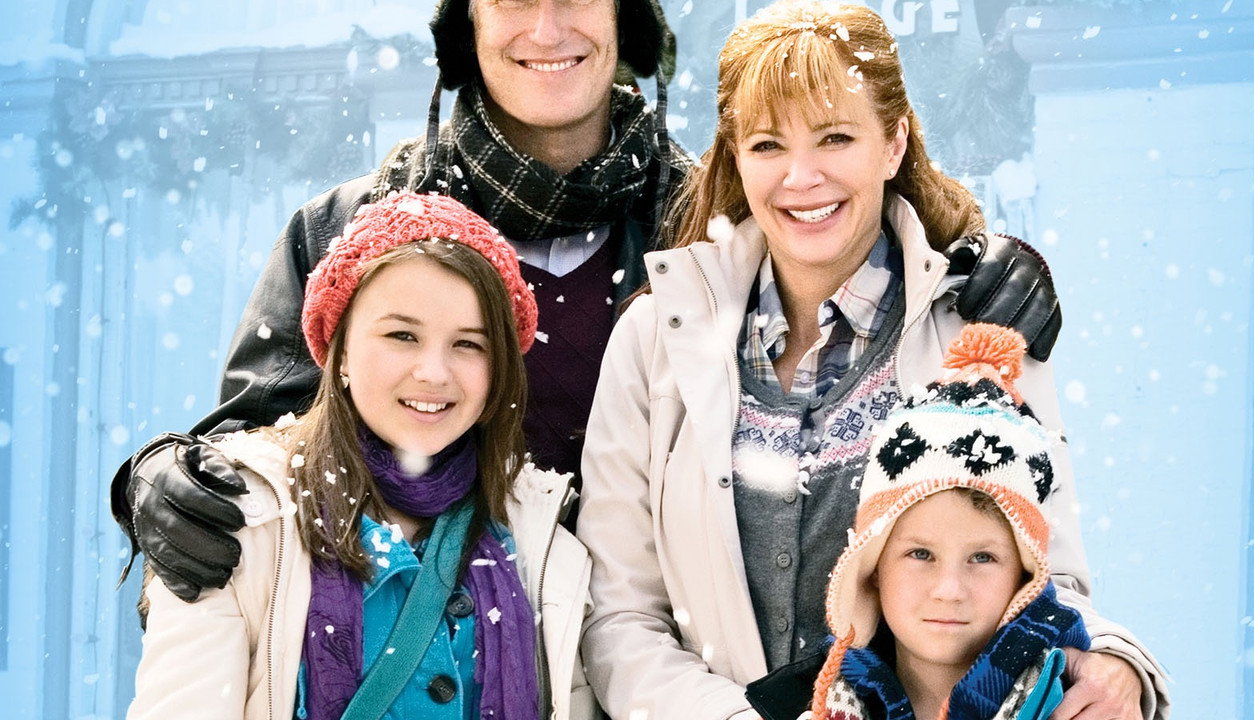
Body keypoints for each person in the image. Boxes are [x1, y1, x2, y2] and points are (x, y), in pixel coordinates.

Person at [111, 0, 1059, 604]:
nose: (546, 28)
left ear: (625, 20)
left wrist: (990, 263)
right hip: (424, 654)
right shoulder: (353, 231)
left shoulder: (705, 229)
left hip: (649, 666)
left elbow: (854, 228)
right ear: (467, 25)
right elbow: (254, 443)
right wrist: (154, 480)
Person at [573, 3, 1168, 720]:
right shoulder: (654, 340)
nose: (801, 177)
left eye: (835, 137)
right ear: (734, 158)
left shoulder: (978, 332)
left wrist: (1117, 659)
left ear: (893, 144)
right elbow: (618, 618)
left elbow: (1048, 580)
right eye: (767, 145)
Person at [128, 192, 596, 720]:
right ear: (341, 349)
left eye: (469, 344)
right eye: (402, 335)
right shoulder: (239, 516)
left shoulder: (541, 535)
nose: (433, 372)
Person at [745, 323, 1093, 720]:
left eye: (982, 557)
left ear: (1025, 577)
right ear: (873, 567)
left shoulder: (1085, 708)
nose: (949, 590)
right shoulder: (802, 709)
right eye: (921, 554)